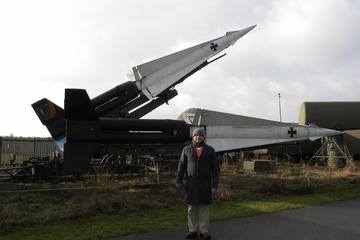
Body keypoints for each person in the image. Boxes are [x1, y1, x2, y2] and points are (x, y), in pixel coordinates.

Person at [176, 128, 219, 240]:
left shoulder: (210, 150)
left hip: (205, 184)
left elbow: (215, 169)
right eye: (195, 135)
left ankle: (204, 231)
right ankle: (192, 230)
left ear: (203, 137)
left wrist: (214, 185)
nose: (197, 137)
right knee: (191, 208)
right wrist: (178, 181)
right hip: (191, 184)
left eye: (200, 135)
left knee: (204, 208)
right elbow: (181, 167)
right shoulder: (186, 149)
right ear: (193, 137)